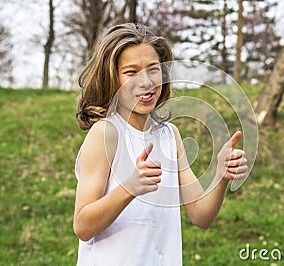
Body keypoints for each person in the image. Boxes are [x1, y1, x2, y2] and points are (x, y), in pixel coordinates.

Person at [73, 23, 248, 265]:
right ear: (111, 78)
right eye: (131, 72)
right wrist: (129, 188)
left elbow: (200, 215)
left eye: (153, 69)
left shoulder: (169, 135)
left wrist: (221, 175)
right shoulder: (105, 133)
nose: (145, 82)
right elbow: (83, 226)